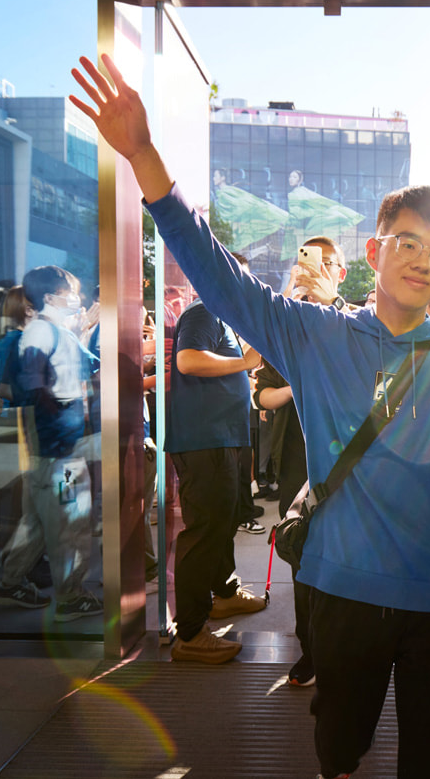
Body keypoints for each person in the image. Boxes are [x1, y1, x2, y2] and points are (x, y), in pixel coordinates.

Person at [71, 52, 430, 778]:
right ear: (375, 252)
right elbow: (216, 270)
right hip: (342, 591)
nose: (424, 261)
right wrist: (143, 155)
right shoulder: (315, 334)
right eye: (409, 244)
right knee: (339, 753)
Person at [253, 235, 350, 686]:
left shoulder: (359, 322)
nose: (319, 269)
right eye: (311, 262)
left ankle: (346, 650)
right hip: (298, 461)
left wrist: (332, 305)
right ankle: (311, 649)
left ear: (342, 272)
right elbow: (262, 396)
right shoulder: (287, 327)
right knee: (303, 556)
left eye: (329, 263)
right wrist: (299, 386)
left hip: (351, 462)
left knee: (349, 557)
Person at [163, 252, 268, 663]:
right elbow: (188, 361)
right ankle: (189, 633)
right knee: (204, 532)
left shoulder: (219, 316)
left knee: (221, 525)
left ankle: (223, 593)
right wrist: (242, 362)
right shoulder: (204, 311)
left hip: (220, 439)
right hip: (204, 442)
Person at [0, 266, 103, 622]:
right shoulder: (42, 331)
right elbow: (32, 380)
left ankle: (10, 584)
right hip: (60, 450)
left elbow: (92, 369)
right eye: (71, 293)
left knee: (38, 522)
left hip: (55, 448)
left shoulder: (55, 331)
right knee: (71, 522)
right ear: (51, 298)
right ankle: (70, 596)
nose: (78, 299)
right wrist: (57, 415)